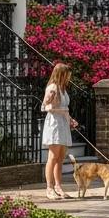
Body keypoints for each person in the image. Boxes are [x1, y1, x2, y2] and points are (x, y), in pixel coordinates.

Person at [41, 62, 78, 200]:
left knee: (61, 158)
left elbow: (64, 108)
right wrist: (62, 111)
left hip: (63, 123)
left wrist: (70, 119)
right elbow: (45, 107)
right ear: (61, 74)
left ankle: (58, 186)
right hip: (54, 124)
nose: (69, 78)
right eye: (67, 75)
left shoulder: (63, 89)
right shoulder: (52, 88)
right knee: (53, 157)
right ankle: (49, 188)